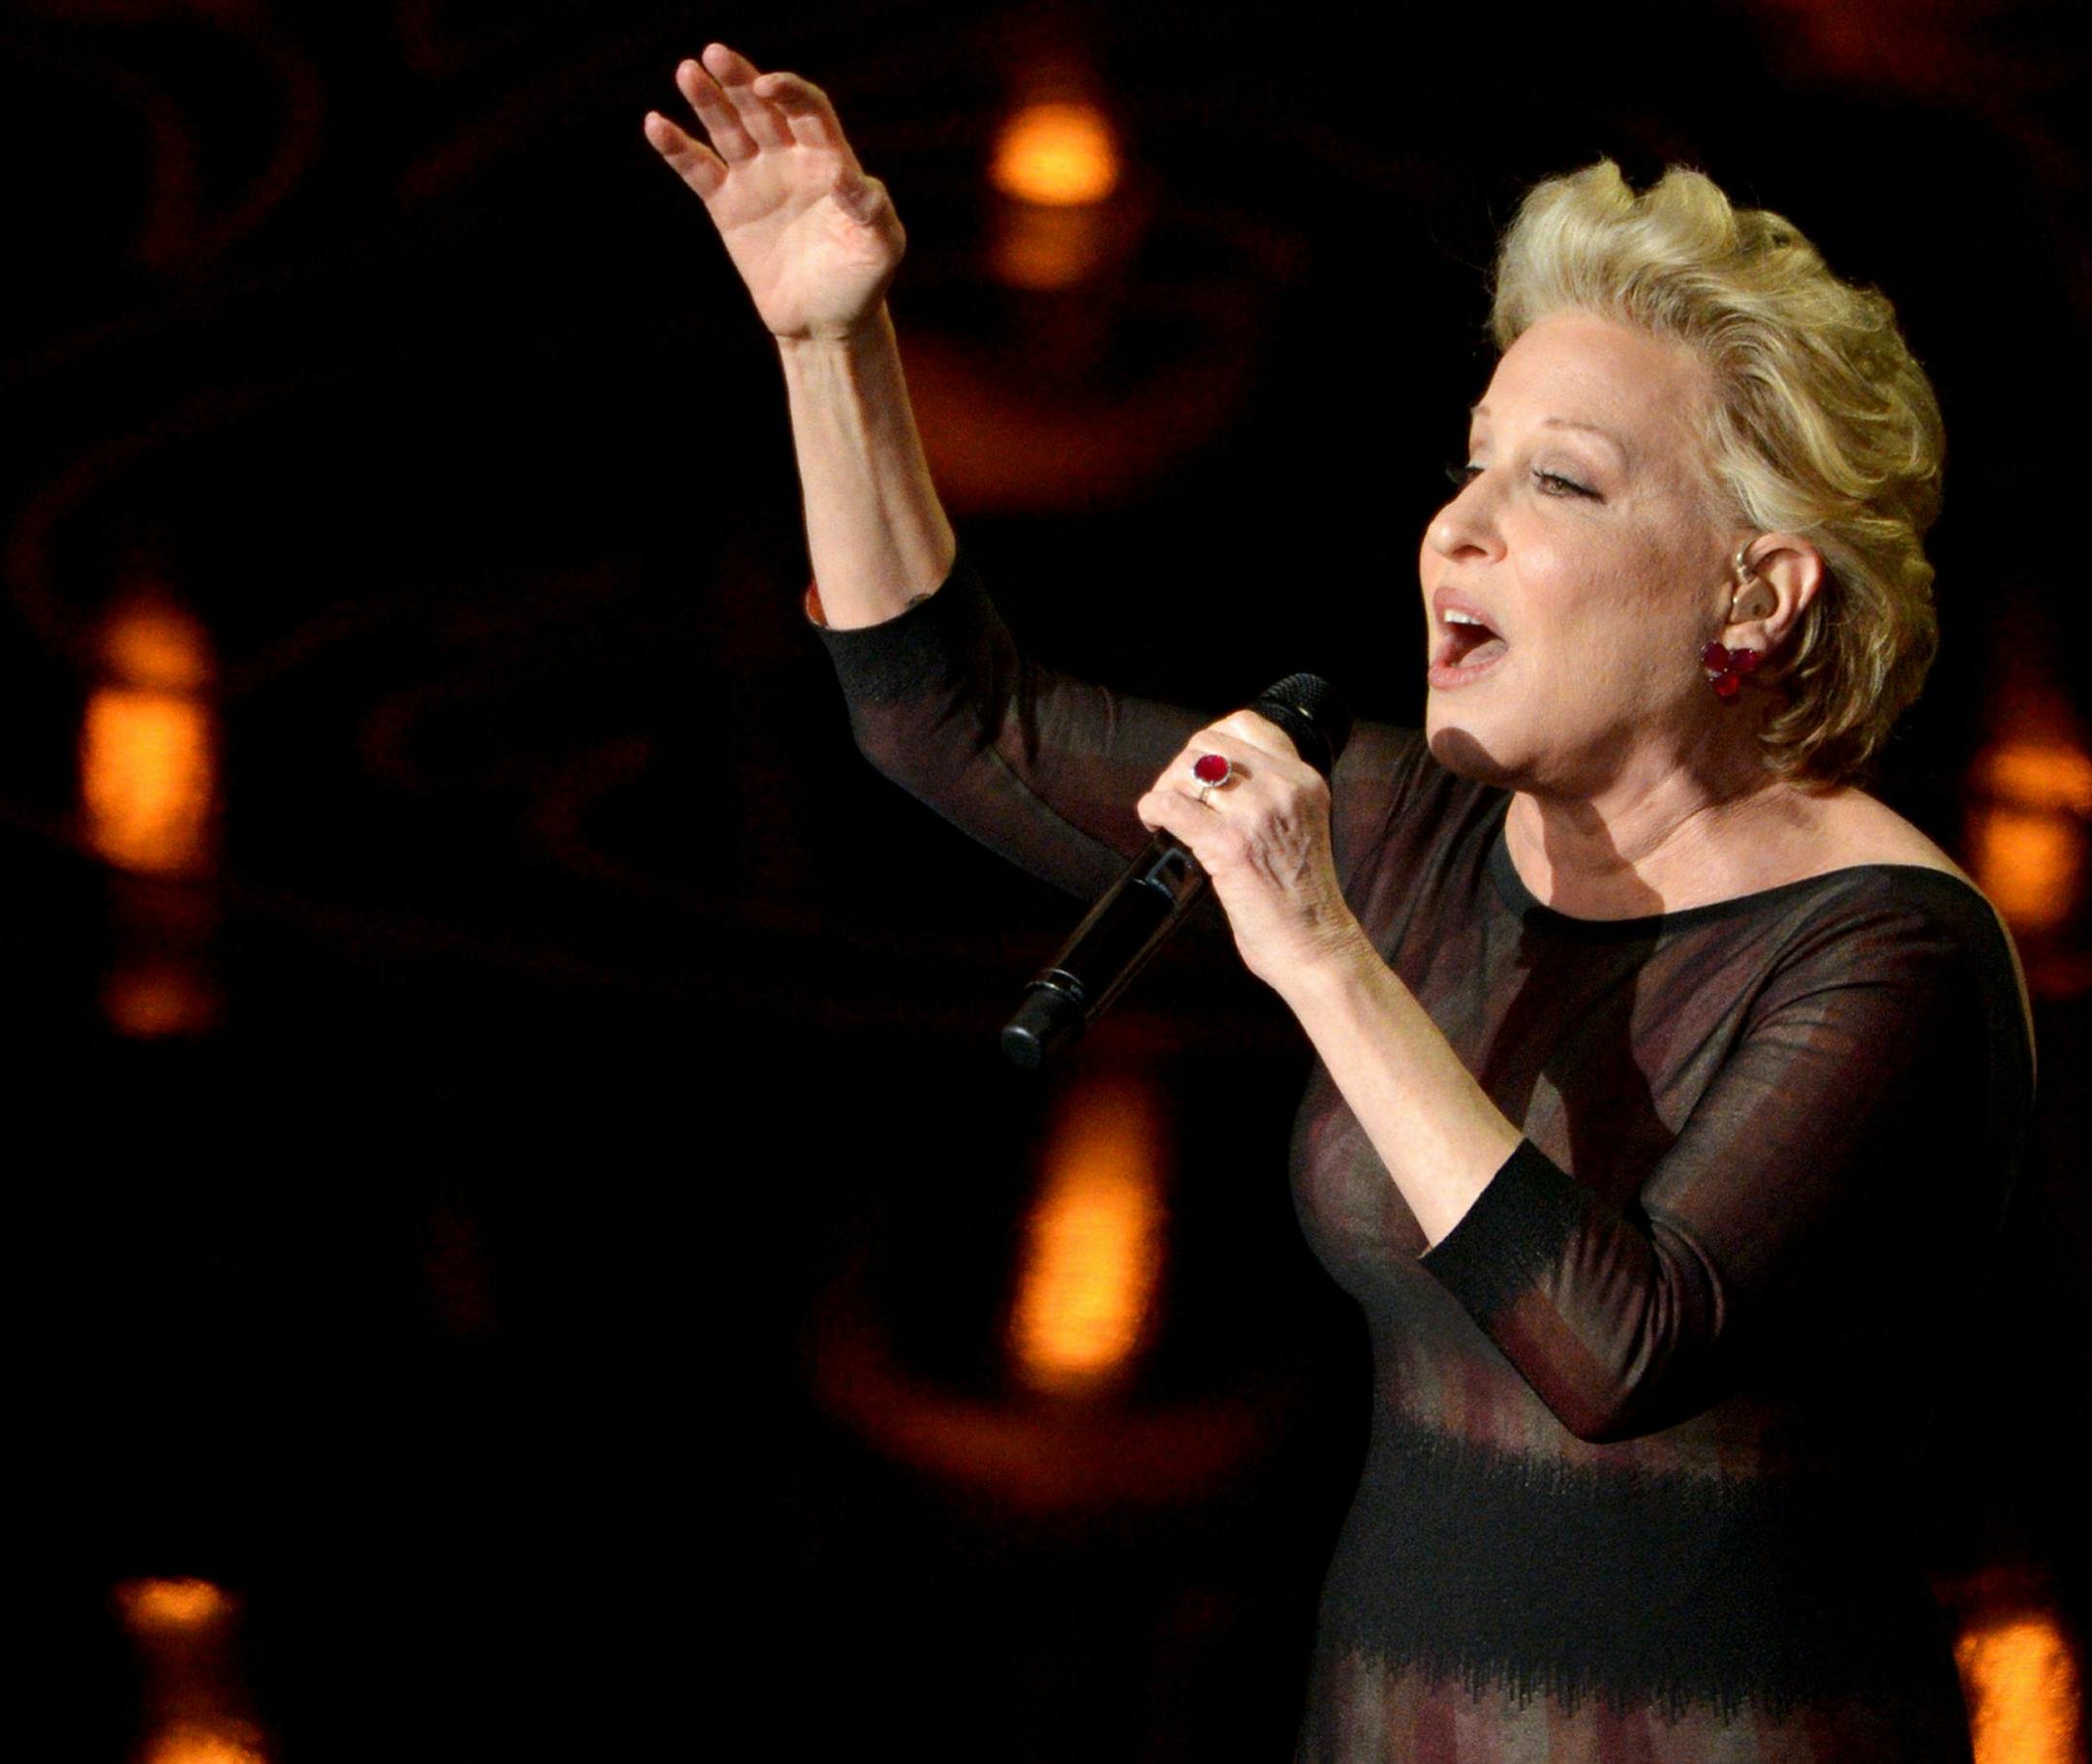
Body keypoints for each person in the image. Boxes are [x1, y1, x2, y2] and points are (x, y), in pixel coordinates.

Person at [646, 45, 2033, 1762]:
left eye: (1561, 482)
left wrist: (1316, 950)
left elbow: (1617, 1348)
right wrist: (827, 342)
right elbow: (952, 718)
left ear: (1754, 592)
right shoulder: (1423, 831)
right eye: (1474, 464)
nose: (1457, 529)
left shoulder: (1891, 950)